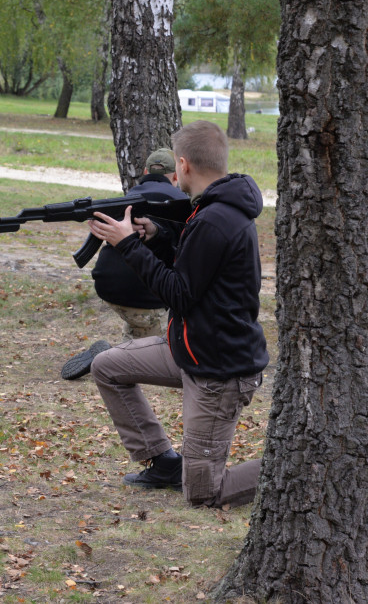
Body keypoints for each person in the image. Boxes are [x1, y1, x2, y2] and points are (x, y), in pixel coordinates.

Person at [86, 120, 269, 508]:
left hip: (217, 373)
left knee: (205, 494)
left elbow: (179, 294)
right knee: (107, 366)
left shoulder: (215, 220)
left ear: (182, 165)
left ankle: (294, 468)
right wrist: (159, 235)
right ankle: (164, 463)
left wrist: (128, 245)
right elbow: (195, 273)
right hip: (191, 350)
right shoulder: (211, 212)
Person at [60, 148, 187, 380]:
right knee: (172, 355)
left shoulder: (129, 198)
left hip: (108, 287)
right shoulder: (179, 202)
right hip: (144, 297)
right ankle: (108, 356)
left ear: (145, 171)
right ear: (176, 176)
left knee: (141, 329)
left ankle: (120, 349)